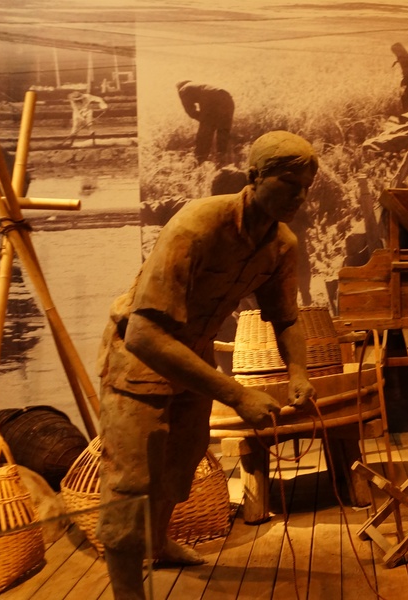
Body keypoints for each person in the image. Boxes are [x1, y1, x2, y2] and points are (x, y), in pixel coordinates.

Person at [97, 131, 318, 600]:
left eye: (306, 186)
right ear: (254, 177)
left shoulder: (281, 243)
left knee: (182, 461)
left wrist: (298, 371)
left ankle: (158, 543)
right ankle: (127, 593)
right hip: (139, 357)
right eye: (288, 183)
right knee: (131, 482)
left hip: (192, 354)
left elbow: (286, 317)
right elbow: (143, 334)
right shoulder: (196, 225)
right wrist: (235, 393)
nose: (299, 196)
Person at [176, 80, 235, 164]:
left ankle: (199, 161)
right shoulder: (198, 85)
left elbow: (191, 111)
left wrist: (206, 121)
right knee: (223, 132)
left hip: (211, 101)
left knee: (204, 135)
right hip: (227, 98)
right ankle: (221, 160)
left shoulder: (183, 89)